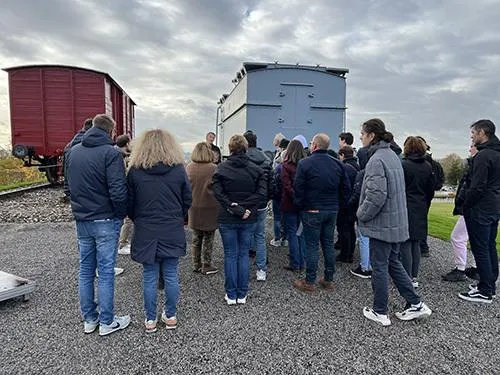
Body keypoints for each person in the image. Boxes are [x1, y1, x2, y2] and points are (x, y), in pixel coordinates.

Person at [357, 119, 432, 326]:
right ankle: (415, 303)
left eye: (362, 133)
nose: (360, 137)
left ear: (372, 135)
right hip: (395, 222)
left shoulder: (377, 160)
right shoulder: (392, 156)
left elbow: (376, 195)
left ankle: (380, 311)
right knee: (393, 263)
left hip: (383, 224)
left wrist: (361, 214)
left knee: (380, 266)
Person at [66, 114, 130, 336]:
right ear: (111, 131)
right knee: (105, 272)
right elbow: (118, 190)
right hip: (105, 219)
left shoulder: (73, 151)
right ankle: (107, 322)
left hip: (82, 219)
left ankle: (89, 319)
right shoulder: (111, 154)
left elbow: (68, 186)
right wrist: (121, 214)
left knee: (85, 270)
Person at [127, 129, 192, 332]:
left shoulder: (135, 171)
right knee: (171, 274)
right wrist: (176, 216)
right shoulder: (179, 169)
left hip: (146, 228)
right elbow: (187, 200)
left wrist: (138, 218)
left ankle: (150, 319)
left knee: (149, 275)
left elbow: (129, 202)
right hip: (171, 227)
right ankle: (170, 316)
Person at [293, 133, 351, 292]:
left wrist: (299, 205)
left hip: (311, 209)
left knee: (312, 246)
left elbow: (298, 188)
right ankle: (328, 279)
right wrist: (338, 204)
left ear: (315, 146)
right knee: (327, 244)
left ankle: (309, 281)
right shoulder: (337, 164)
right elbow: (345, 188)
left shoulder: (305, 164)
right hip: (331, 210)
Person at [212, 135, 267, 305]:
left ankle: (231, 294)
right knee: (243, 254)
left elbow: (218, 193)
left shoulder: (221, 169)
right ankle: (242, 294)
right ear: (246, 147)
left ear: (230, 148)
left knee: (231, 255)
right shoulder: (256, 169)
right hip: (248, 217)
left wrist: (234, 206)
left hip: (228, 217)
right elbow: (262, 193)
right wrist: (245, 208)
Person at [459, 119, 500, 303]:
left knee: (481, 248)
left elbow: (477, 186)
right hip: (494, 206)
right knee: (489, 245)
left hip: (481, 208)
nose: (472, 137)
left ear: (482, 132)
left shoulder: (483, 156)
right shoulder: (497, 154)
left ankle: (485, 290)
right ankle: (489, 282)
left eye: (474, 133)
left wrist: (466, 205)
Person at [400, 137, 435, 288]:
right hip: (421, 205)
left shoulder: (404, 165)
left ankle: (407, 276)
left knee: (406, 243)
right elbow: (431, 189)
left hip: (406, 205)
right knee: (416, 243)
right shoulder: (428, 166)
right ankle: (414, 276)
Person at [442, 143, 477, 282]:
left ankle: (460, 268)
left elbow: (474, 188)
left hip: (473, 209)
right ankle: (476, 268)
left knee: (457, 237)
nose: (470, 149)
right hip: (478, 208)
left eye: (472, 146)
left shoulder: (478, 164)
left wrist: (465, 205)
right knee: (478, 239)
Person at [243, 130, 272, 281]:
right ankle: (261, 269)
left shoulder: (242, 159)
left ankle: (243, 270)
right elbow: (271, 182)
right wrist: (268, 198)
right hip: (261, 202)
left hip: (246, 203)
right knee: (260, 236)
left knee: (244, 235)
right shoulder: (266, 159)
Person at [186, 142, 219, 275]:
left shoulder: (189, 168)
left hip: (193, 206)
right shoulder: (214, 168)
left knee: (196, 237)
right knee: (209, 237)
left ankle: (196, 263)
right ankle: (207, 264)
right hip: (210, 207)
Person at [280, 140, 307, 272]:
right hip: (303, 204)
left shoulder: (285, 166)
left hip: (289, 203)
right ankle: (302, 262)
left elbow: (286, 185)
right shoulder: (306, 165)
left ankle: (295, 263)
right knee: (301, 234)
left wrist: (295, 197)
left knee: (292, 233)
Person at [336, 146, 360, 263]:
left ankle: (345, 254)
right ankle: (350, 252)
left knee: (343, 228)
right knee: (351, 228)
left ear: (342, 155)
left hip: (345, 202)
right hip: (355, 202)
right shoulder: (357, 166)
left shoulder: (344, 167)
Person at [62, 118, 93, 200]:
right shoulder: (90, 146)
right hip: (88, 193)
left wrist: (67, 190)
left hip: (74, 192)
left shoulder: (69, 146)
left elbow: (66, 171)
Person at [115, 134, 133, 255]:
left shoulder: (117, 154)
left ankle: (122, 242)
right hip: (122, 193)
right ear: (126, 144)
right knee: (127, 219)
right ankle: (122, 243)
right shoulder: (118, 157)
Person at [270, 138, 290, 247]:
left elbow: (273, 183)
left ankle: (277, 239)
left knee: (277, 218)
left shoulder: (278, 168)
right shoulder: (293, 167)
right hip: (287, 197)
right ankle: (285, 239)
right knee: (286, 218)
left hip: (277, 197)